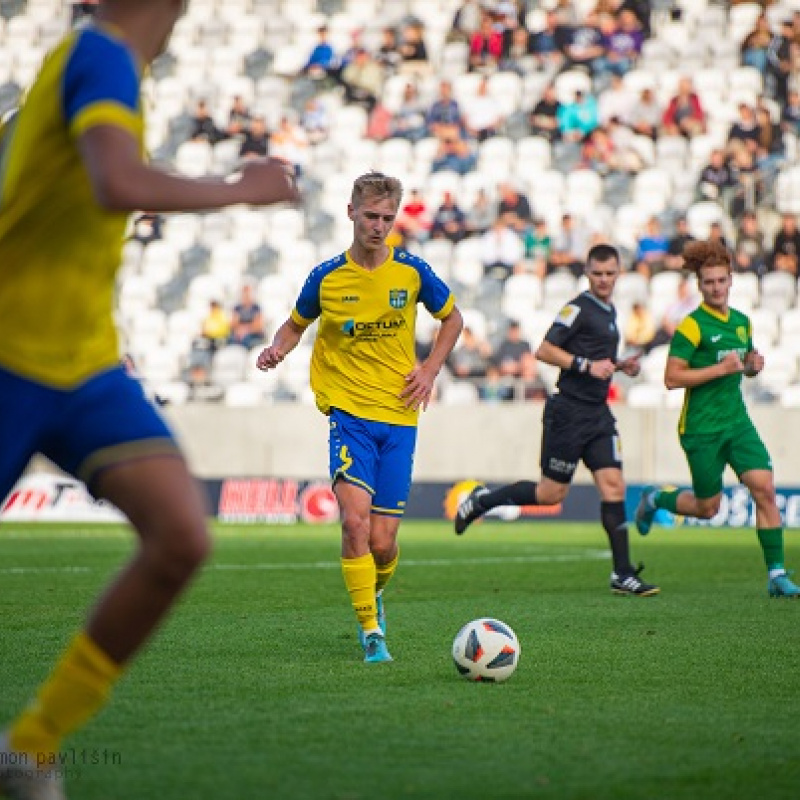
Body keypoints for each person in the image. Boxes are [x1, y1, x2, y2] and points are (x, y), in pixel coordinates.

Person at [0, 2, 299, 798]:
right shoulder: (97, 56)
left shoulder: (107, 70)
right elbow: (116, 182)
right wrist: (240, 188)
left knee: (180, 535)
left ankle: (28, 749)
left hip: (83, 363)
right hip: (6, 354)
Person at [256, 172, 463, 664]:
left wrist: (430, 370)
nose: (378, 226)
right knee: (354, 524)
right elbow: (294, 324)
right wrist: (276, 350)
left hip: (400, 415)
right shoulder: (326, 276)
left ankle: (375, 593)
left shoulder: (412, 273)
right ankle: (371, 632)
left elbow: (453, 319)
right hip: (349, 413)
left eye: (388, 218)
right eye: (371, 216)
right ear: (351, 212)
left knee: (383, 544)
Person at [454, 244, 659, 597]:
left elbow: (597, 359)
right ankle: (483, 500)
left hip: (598, 414)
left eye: (610, 273)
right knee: (550, 493)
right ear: (587, 273)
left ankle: (622, 573)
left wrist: (621, 365)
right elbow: (544, 350)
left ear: (619, 273)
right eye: (598, 273)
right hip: (569, 413)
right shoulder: (577, 308)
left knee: (614, 486)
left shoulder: (610, 311)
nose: (604, 279)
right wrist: (586, 365)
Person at [634, 240, 800, 599]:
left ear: (730, 281)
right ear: (699, 285)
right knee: (708, 508)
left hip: (736, 422)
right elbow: (671, 378)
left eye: (721, 281)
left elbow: (742, 366)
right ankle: (655, 499)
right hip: (701, 428)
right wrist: (717, 368)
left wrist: (753, 368)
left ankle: (776, 574)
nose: (716, 287)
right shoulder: (692, 327)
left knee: (765, 488)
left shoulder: (742, 323)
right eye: (708, 282)